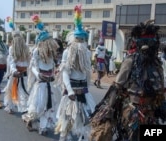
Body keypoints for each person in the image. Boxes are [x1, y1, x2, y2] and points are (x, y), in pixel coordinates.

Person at [90, 20, 166, 141]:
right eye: (144, 42)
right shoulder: (131, 61)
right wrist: (109, 110)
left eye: (150, 42)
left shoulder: (157, 63)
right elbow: (117, 86)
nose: (146, 46)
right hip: (134, 113)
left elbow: (161, 90)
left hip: (151, 113)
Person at [54, 4, 96, 141]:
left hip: (83, 91)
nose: (80, 42)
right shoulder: (68, 52)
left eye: (82, 40)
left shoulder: (87, 52)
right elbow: (65, 72)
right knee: (66, 119)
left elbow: (87, 73)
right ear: (74, 40)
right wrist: (70, 90)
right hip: (71, 93)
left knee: (86, 118)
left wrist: (87, 90)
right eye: (78, 39)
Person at [22, 14, 61, 135]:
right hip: (41, 83)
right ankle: (29, 118)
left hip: (50, 82)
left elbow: (53, 65)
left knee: (49, 106)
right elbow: (32, 66)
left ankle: (43, 127)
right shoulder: (36, 51)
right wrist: (38, 75)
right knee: (38, 105)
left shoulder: (51, 52)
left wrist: (55, 73)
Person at [3, 30, 30, 114]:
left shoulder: (25, 47)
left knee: (22, 91)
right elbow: (11, 61)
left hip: (22, 74)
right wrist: (14, 71)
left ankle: (24, 109)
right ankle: (10, 106)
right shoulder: (13, 48)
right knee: (11, 89)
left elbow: (28, 61)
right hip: (16, 74)